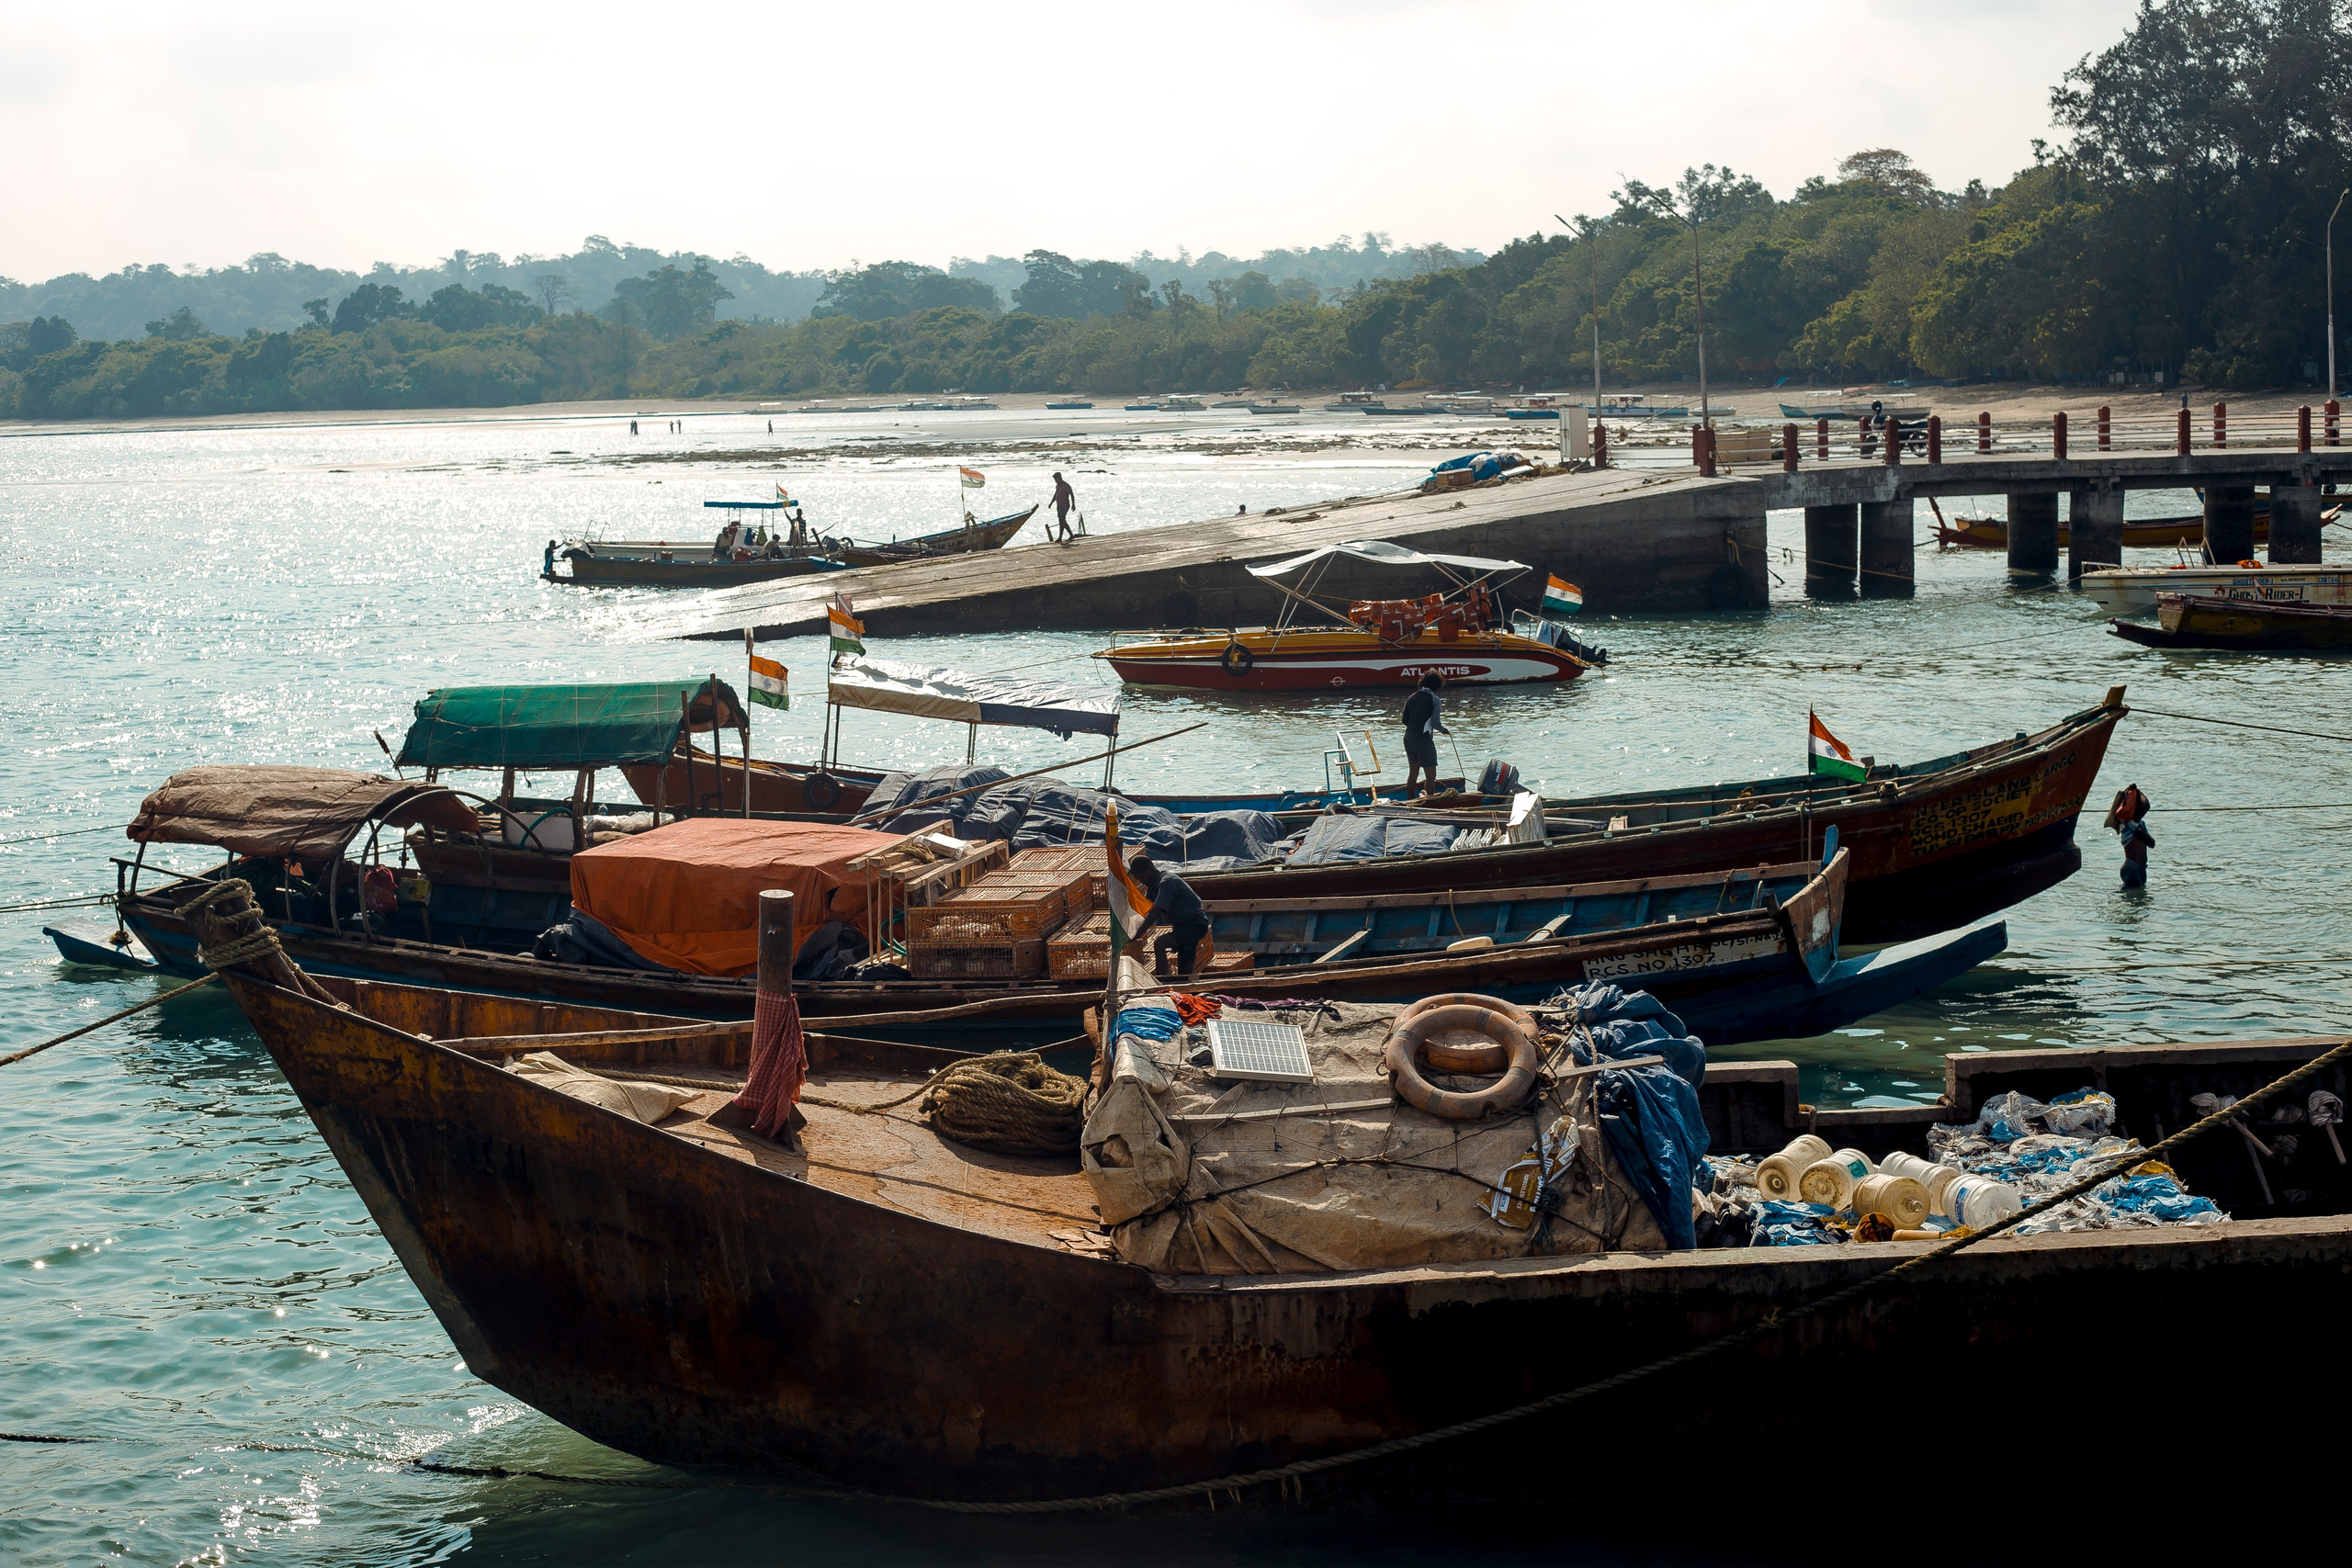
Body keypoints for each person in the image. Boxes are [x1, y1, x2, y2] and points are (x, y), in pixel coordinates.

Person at [1129, 853, 1210, 977]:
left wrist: (1138, 933)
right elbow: (1144, 910)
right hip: (1180, 926)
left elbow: (1155, 911)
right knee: (1184, 972)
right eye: (1139, 880)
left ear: (1151, 869)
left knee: (1159, 943)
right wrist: (1128, 927)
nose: (1143, 882)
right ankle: (1183, 988)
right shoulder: (1152, 885)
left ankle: (1161, 983)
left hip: (1195, 925)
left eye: (1143, 877)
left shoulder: (1166, 882)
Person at [1402, 671, 1448, 795]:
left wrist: (1415, 729)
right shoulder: (1435, 700)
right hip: (1423, 740)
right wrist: (1444, 730)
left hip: (1408, 738)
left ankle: (1410, 801)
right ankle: (1430, 802)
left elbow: (1404, 720)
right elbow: (1436, 723)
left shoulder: (1411, 697)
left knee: (1413, 773)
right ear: (1437, 685)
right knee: (1430, 774)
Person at [2104, 784, 2154, 888]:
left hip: (2141, 868)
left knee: (2138, 897)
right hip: (2132, 868)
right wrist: (2134, 790)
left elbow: (2152, 844)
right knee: (2134, 898)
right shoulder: (2128, 824)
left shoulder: (2140, 824)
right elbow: (2146, 806)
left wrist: (2145, 836)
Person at [1050, 471, 1078, 541]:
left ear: (1060, 478)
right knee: (1062, 521)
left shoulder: (1066, 486)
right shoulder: (1057, 486)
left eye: (1056, 479)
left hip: (1065, 505)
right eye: (1055, 480)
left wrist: (1073, 504)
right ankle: (1071, 535)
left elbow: (1072, 494)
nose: (1055, 481)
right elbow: (1055, 495)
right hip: (1059, 505)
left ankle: (1060, 537)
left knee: (1062, 520)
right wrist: (1051, 503)